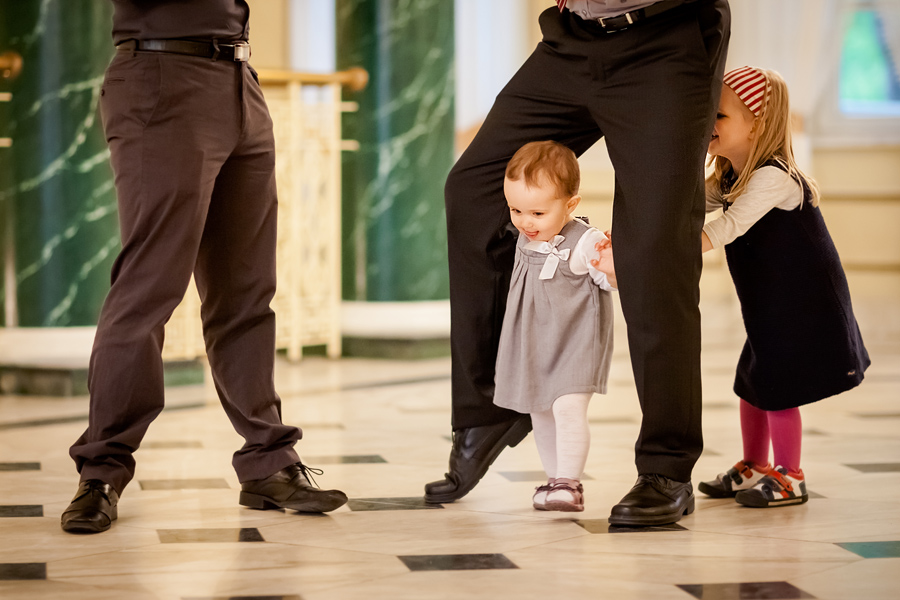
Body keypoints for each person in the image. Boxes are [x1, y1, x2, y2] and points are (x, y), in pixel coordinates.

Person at [425, 0, 731, 527]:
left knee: (655, 247)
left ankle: (666, 466)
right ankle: (488, 410)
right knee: (474, 192)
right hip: (573, 37)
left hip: (665, 39)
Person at [61, 0, 347, 534]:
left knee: (245, 291)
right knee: (148, 287)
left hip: (239, 81)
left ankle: (268, 462)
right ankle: (100, 471)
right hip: (161, 77)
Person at [694, 66, 870, 507]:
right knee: (752, 381)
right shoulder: (731, 175)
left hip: (803, 302)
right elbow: (691, 202)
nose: (707, 123)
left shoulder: (773, 177)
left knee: (779, 384)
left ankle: (791, 475)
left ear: (758, 125)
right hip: (769, 303)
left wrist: (675, 248)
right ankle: (755, 462)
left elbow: (729, 226)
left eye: (718, 116)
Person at [492, 141, 616, 512]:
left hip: (574, 344)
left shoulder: (585, 241)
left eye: (537, 212)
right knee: (540, 412)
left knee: (567, 410)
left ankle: (569, 482)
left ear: (571, 205)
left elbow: (609, 281)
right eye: (515, 209)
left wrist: (611, 267)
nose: (525, 222)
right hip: (533, 342)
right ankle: (553, 478)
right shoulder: (527, 237)